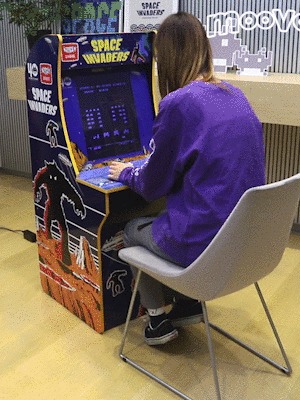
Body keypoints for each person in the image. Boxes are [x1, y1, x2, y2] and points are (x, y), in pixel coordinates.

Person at [108, 12, 266, 346]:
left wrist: (127, 172)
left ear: (166, 58)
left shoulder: (178, 103)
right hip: (246, 244)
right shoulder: (235, 94)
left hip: (204, 247)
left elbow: (152, 184)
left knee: (132, 230)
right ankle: (188, 304)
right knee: (173, 212)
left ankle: (156, 322)